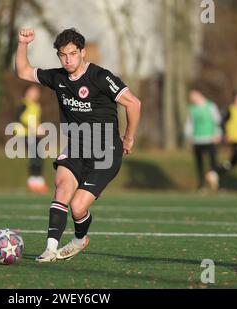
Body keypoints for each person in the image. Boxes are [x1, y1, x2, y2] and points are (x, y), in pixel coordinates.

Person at [16, 28, 142, 262]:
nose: (68, 59)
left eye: (73, 54)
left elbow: (134, 103)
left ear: (83, 52)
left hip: (106, 153)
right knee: (61, 188)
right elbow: (23, 71)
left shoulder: (100, 77)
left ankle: (79, 239)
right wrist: (23, 43)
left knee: (77, 207)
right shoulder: (58, 78)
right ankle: (50, 248)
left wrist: (129, 136)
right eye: (63, 55)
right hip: (75, 147)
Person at [184, 89, 222, 191]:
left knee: (213, 162)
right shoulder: (191, 108)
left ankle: (217, 183)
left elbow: (217, 120)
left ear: (199, 94)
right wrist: (188, 136)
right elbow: (189, 124)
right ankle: (201, 184)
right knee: (199, 163)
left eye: (194, 96)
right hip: (197, 139)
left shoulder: (210, 106)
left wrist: (218, 133)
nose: (192, 99)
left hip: (210, 138)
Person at [15, 84, 49, 193]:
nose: (35, 94)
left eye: (37, 92)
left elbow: (35, 121)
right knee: (35, 156)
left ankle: (38, 181)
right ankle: (32, 182)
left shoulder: (36, 106)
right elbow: (19, 118)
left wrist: (40, 128)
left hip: (34, 135)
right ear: (27, 92)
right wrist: (32, 127)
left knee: (40, 155)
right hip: (25, 134)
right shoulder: (24, 104)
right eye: (33, 91)